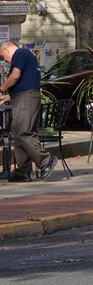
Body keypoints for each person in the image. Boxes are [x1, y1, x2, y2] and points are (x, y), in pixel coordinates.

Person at [0, 40, 57, 182]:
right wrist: (7, 97)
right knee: (18, 134)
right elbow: (25, 83)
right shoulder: (27, 54)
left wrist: (1, 88)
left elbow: (15, 76)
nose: (5, 60)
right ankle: (23, 171)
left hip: (25, 99)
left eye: (3, 56)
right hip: (23, 97)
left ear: (7, 50)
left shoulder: (19, 53)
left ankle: (46, 161)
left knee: (24, 132)